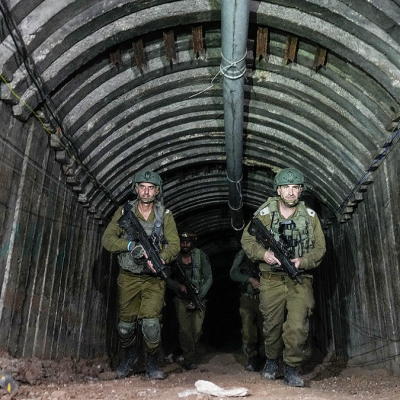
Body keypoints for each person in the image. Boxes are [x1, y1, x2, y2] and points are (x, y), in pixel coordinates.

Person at [241, 168, 326, 387]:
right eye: (286, 187)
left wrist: (302, 261)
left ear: (300, 191)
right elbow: (247, 240)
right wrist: (264, 254)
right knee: (272, 326)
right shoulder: (265, 213)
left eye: (295, 188)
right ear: (278, 190)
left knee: (297, 325)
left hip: (300, 279)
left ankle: (291, 367)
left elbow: (320, 248)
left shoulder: (310, 217)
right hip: (271, 280)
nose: (290, 192)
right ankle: (271, 360)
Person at [102, 170, 180, 380]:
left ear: (157, 191)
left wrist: (161, 258)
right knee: (125, 327)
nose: (146, 192)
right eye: (142, 187)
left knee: (151, 325)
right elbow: (108, 239)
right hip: (128, 277)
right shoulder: (123, 212)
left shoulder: (165, 215)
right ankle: (129, 357)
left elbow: (174, 244)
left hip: (153, 280)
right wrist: (129, 246)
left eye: (151, 188)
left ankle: (152, 363)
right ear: (135, 189)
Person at [166, 232, 212, 370]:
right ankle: (188, 359)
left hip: (199, 298)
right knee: (185, 331)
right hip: (181, 300)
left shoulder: (199, 256)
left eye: (188, 242)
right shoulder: (173, 256)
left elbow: (209, 277)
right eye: (182, 242)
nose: (185, 244)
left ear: (192, 243)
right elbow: (165, 277)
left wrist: (199, 296)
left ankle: (191, 351)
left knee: (196, 331)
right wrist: (178, 286)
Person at [230, 249, 264, 372]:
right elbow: (233, 273)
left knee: (266, 330)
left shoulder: (269, 250)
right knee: (248, 330)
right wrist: (249, 279)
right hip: (247, 297)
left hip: (265, 297)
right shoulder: (243, 253)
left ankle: (266, 357)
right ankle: (252, 357)